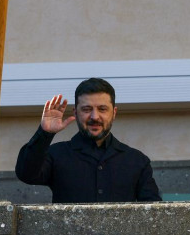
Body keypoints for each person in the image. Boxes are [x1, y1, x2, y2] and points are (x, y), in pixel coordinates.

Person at [16, 77, 161, 203]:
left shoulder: (137, 161)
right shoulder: (56, 154)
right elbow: (26, 174)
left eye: (102, 109)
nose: (94, 117)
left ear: (114, 113)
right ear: (75, 113)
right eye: (86, 109)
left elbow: (155, 213)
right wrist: (45, 133)